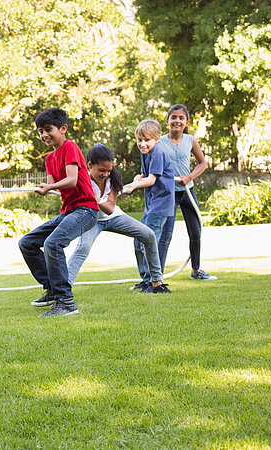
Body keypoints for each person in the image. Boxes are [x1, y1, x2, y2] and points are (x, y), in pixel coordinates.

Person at [19, 108, 99, 316]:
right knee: (27, 243)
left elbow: (72, 180)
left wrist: (49, 187)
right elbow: (51, 185)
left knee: (53, 244)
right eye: (40, 131)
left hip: (86, 209)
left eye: (48, 129)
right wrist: (42, 188)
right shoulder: (49, 159)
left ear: (63, 129)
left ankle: (66, 302)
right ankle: (53, 290)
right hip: (69, 211)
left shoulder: (70, 147)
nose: (44, 135)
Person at [66, 144, 167, 293]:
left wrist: (96, 200)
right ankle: (63, 289)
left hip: (114, 216)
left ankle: (157, 283)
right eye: (101, 170)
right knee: (83, 248)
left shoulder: (113, 178)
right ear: (90, 165)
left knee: (148, 235)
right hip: (92, 220)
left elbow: (110, 208)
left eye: (108, 170)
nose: (105, 174)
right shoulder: (82, 180)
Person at [159, 104, 217, 281]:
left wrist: (189, 177)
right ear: (167, 120)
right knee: (165, 235)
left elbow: (202, 163)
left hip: (187, 192)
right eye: (174, 117)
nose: (177, 120)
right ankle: (157, 275)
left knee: (195, 232)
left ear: (186, 122)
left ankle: (196, 270)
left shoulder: (190, 140)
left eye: (181, 118)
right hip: (169, 193)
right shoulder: (159, 142)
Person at [122, 119, 175, 293]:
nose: (142, 144)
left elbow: (152, 180)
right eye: (139, 140)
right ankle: (146, 280)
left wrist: (134, 186)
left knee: (148, 241)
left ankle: (156, 283)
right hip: (151, 204)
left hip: (160, 205)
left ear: (157, 139)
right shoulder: (147, 152)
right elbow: (147, 174)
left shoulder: (158, 152)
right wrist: (138, 177)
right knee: (138, 240)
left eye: (147, 140)